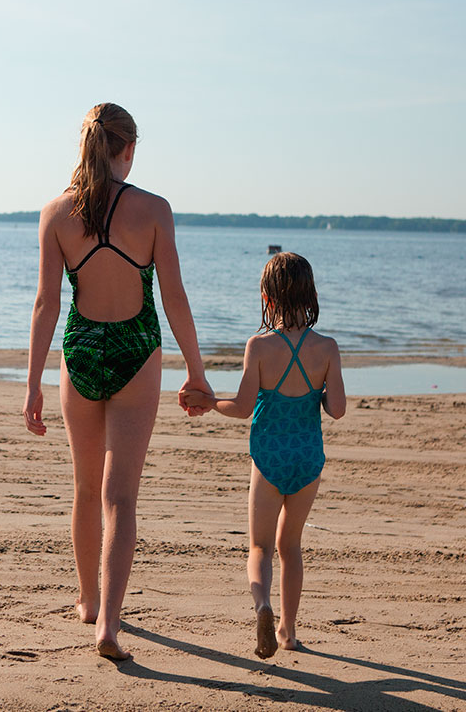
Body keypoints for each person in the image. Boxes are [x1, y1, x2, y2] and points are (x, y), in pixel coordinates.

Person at [24, 102, 211, 661]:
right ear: (127, 149)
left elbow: (46, 304)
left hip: (80, 353)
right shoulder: (154, 210)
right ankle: (108, 621)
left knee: (85, 488)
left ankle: (86, 600)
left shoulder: (56, 212)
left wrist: (32, 382)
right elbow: (173, 296)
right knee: (120, 496)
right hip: (135, 351)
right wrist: (197, 370)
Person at [183, 252, 346, 659]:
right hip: (307, 458)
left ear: (267, 299)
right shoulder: (327, 348)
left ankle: (262, 606)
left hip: (269, 457)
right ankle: (288, 631)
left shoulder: (259, 346)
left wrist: (208, 402)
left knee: (259, 547)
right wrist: (318, 391)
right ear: (310, 295)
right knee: (290, 545)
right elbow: (338, 409)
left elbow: (240, 407)